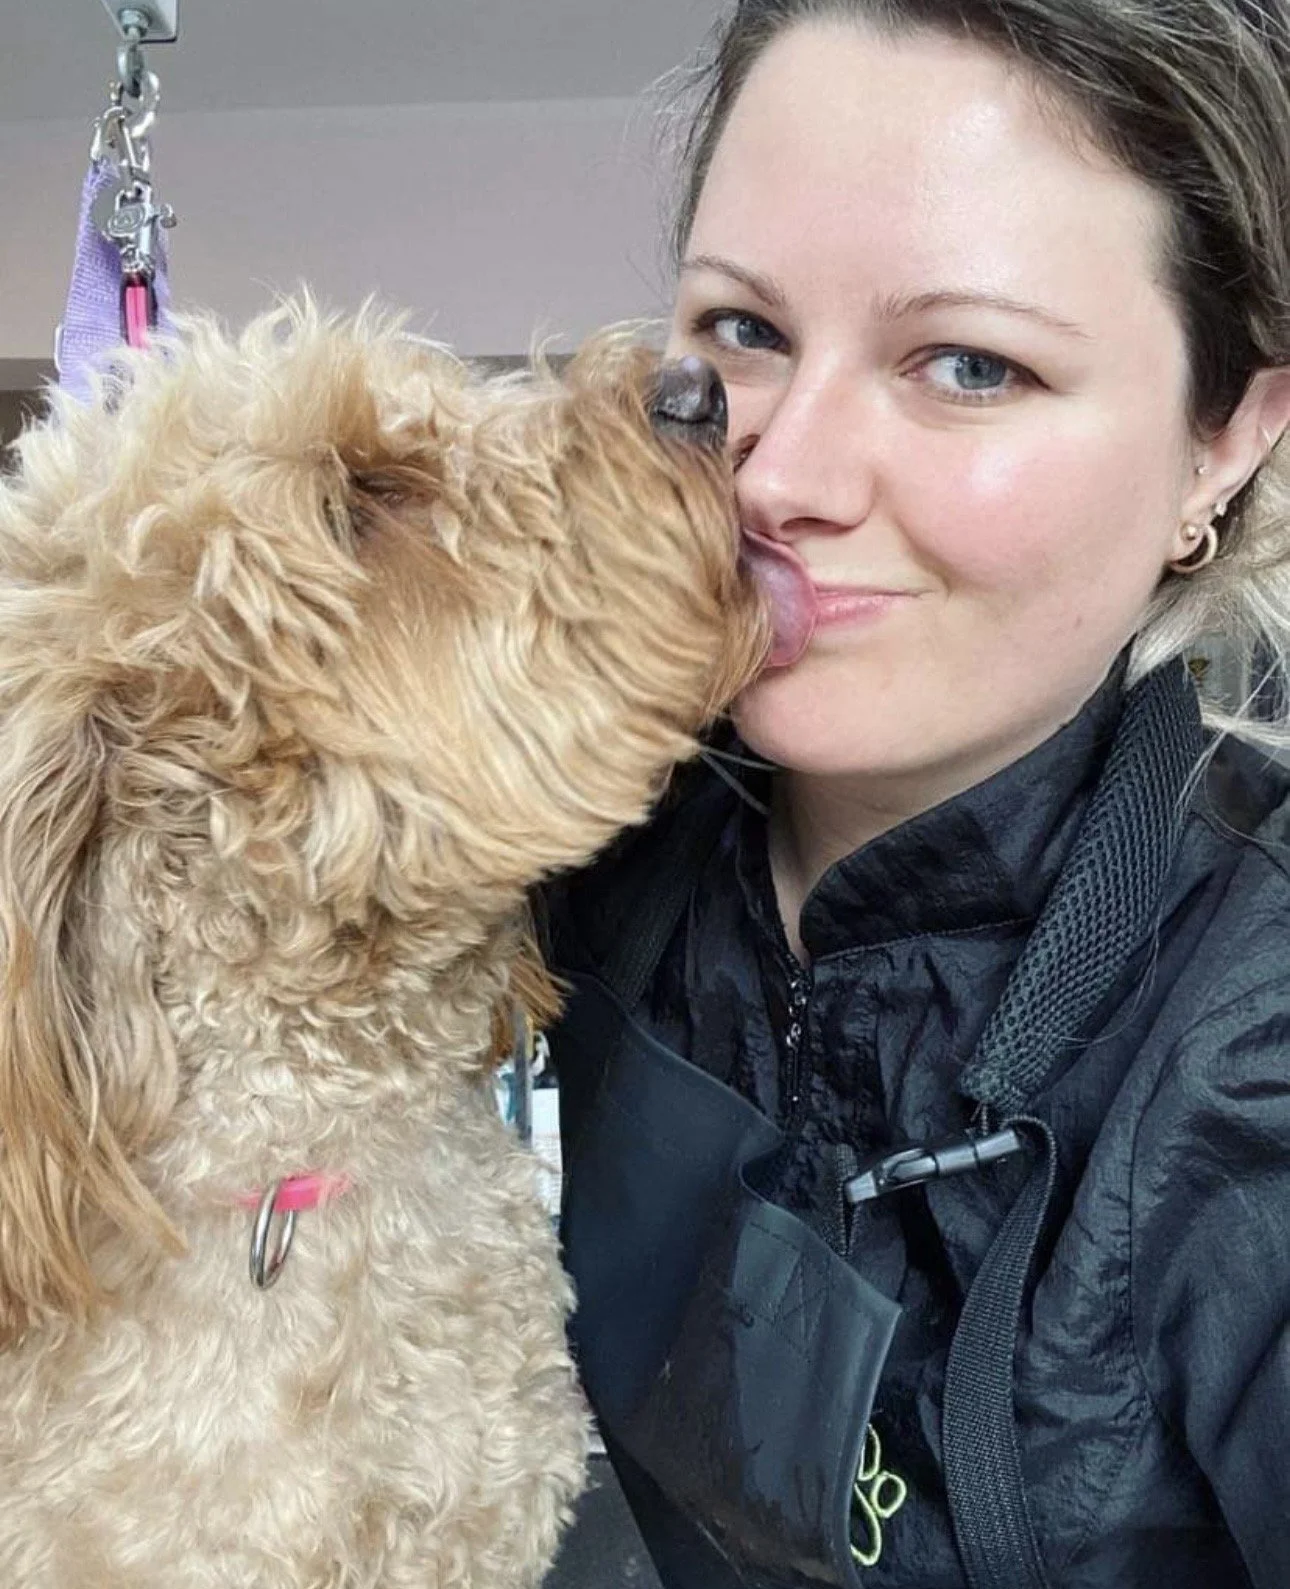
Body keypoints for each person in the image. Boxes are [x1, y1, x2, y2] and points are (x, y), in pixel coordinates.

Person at [537, 3, 1290, 1585]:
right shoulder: (574, 816)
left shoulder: (1254, 1037)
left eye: (967, 364)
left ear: (1224, 441)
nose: (780, 477)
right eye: (743, 331)